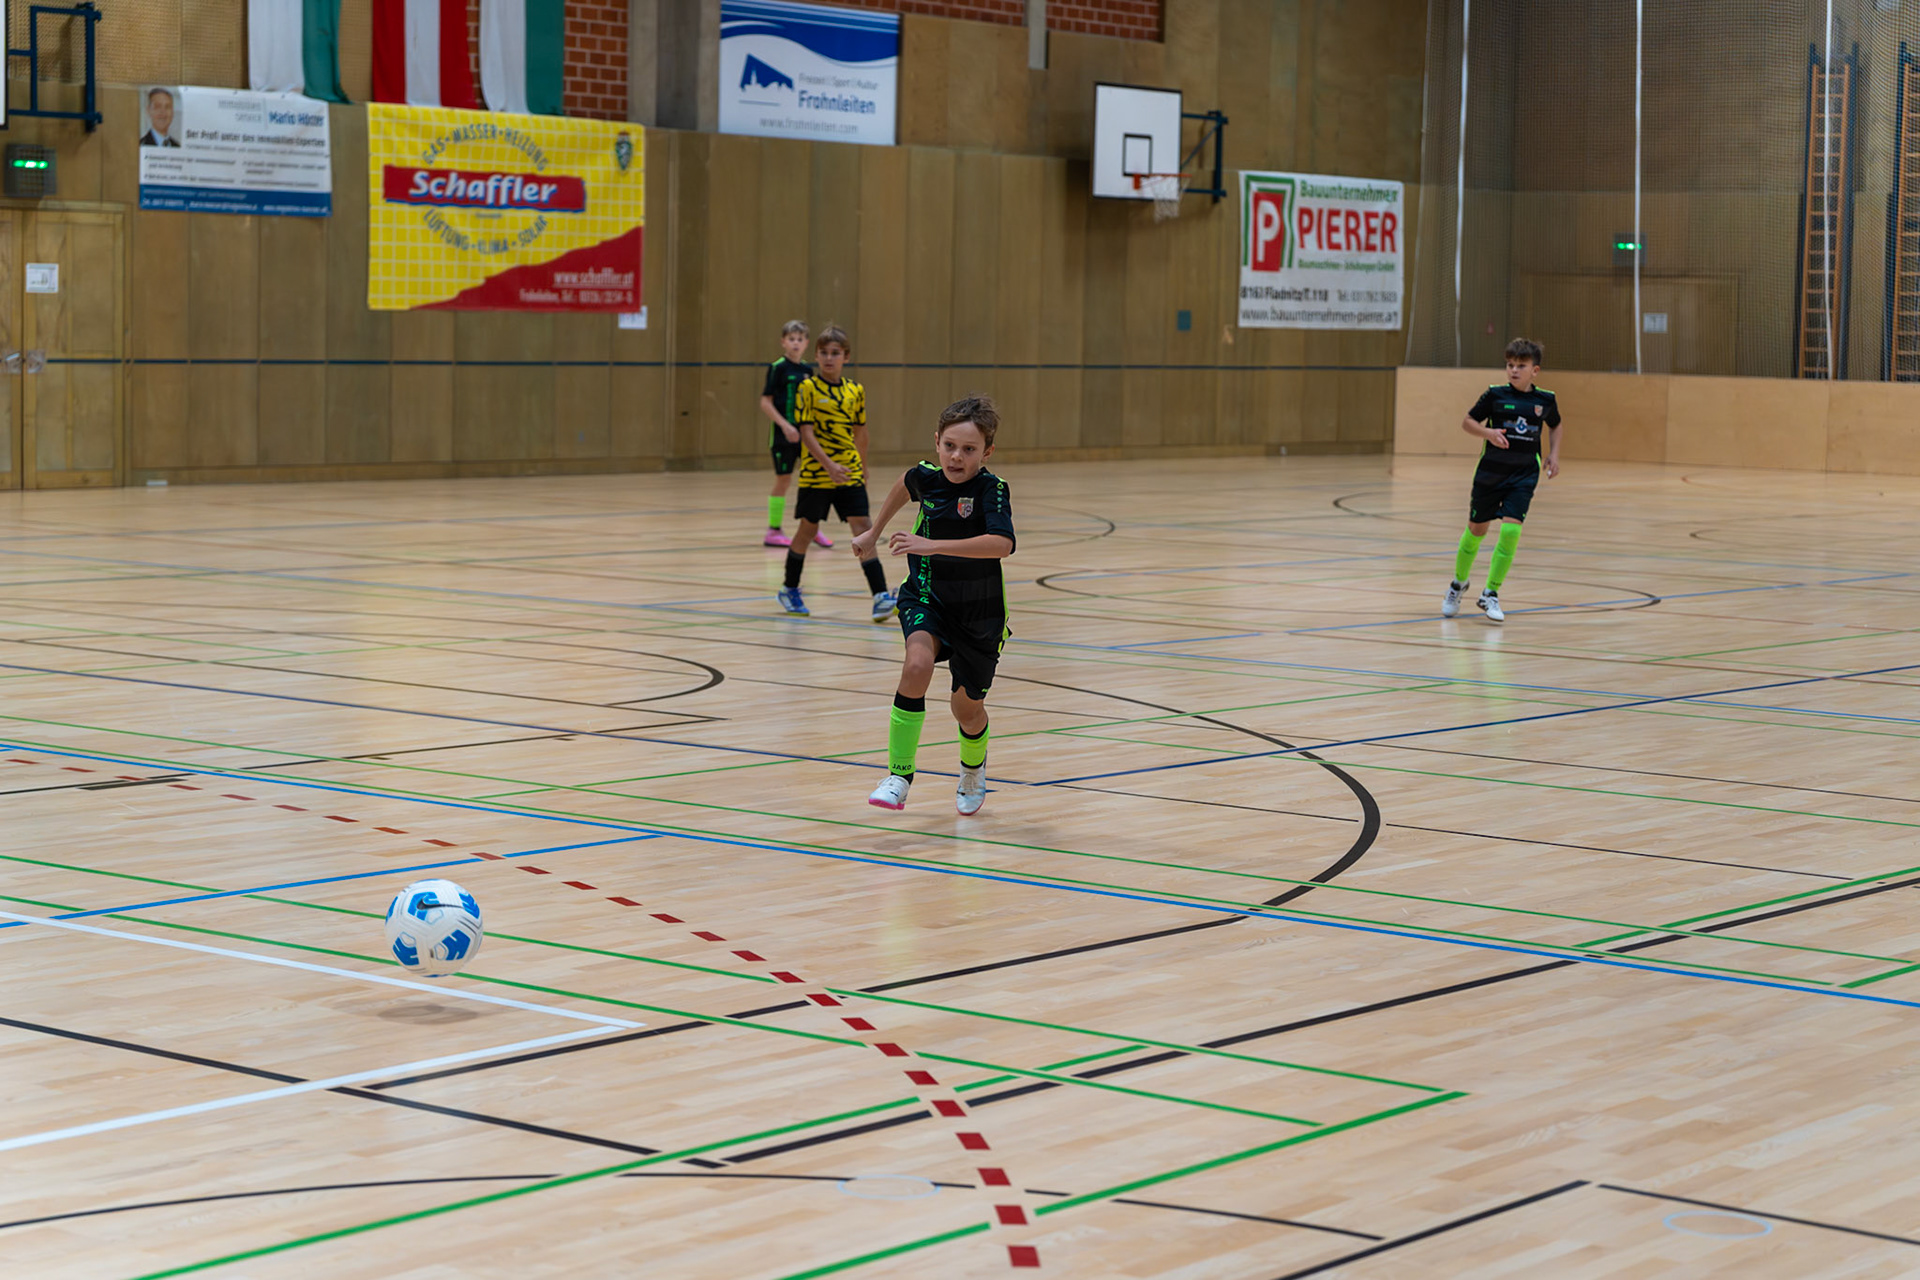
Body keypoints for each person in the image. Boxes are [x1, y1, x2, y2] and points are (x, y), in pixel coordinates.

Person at [853, 395, 1014, 816]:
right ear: (937, 441)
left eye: (969, 449)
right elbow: (905, 484)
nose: (956, 457)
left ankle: (973, 771)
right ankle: (898, 776)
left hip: (979, 615)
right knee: (917, 665)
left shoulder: (992, 490)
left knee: (966, 710)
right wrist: (873, 532)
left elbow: (1001, 544)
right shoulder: (926, 477)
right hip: (927, 596)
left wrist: (932, 544)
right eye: (949, 446)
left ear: (987, 452)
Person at [777, 325, 893, 621]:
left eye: (835, 353)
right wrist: (829, 465)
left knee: (863, 527)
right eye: (824, 353)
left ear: (846, 357)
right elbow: (806, 433)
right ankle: (789, 589)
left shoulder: (855, 390)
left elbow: (861, 432)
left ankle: (880, 595)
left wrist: (862, 465)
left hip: (849, 472)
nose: (829, 358)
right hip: (816, 475)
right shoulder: (807, 388)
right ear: (816, 356)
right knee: (808, 529)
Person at [1442, 337, 1561, 623]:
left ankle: (1490, 593)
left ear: (1535, 371)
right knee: (1476, 531)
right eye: (1510, 365)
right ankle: (1458, 584)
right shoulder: (1495, 395)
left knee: (1510, 532)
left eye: (1521, 366)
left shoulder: (1545, 400)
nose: (1514, 370)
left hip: (1524, 475)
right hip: (1490, 474)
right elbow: (1468, 422)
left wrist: (1554, 454)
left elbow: (1556, 424)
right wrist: (1489, 433)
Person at [758, 320, 829, 549]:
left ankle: (811, 527)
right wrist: (785, 426)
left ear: (806, 343)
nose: (795, 343)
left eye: (800, 339)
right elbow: (765, 402)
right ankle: (773, 530)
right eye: (791, 339)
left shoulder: (807, 371)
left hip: (806, 436)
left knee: (813, 479)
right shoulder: (778, 368)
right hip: (783, 437)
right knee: (784, 479)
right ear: (783, 342)